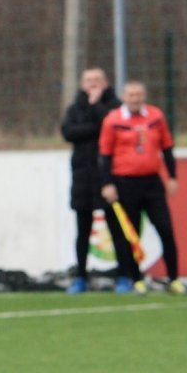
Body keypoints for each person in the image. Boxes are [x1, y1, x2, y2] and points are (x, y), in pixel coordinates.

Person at [101, 79, 183, 294]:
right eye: (131, 95)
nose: (135, 99)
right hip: (125, 183)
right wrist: (107, 183)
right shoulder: (113, 120)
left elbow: (167, 147)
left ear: (144, 96)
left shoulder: (156, 116)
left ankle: (174, 279)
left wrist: (172, 176)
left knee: (165, 229)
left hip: (152, 182)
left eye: (138, 94)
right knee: (132, 233)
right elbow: (105, 155)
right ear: (124, 97)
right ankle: (136, 280)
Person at [61, 69, 121, 293]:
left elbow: (111, 126)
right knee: (83, 230)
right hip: (82, 176)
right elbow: (69, 132)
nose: (93, 84)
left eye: (97, 80)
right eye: (89, 80)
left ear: (106, 83)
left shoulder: (115, 106)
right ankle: (81, 277)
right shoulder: (75, 108)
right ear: (82, 84)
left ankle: (124, 275)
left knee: (116, 227)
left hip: (108, 176)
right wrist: (95, 127)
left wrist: (96, 106)